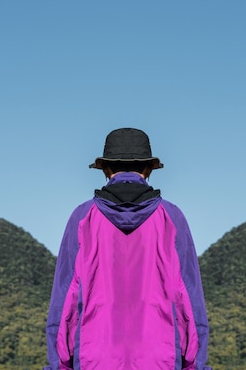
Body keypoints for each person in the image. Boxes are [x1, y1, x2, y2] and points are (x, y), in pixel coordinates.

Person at [44, 128, 212, 370]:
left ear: (105, 170)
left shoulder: (82, 218)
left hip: (93, 359)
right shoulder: (172, 217)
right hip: (161, 359)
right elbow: (189, 297)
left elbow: (64, 300)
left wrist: (59, 364)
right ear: (148, 169)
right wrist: (195, 365)